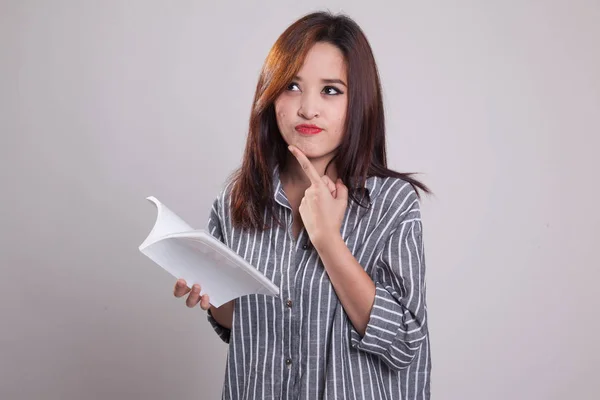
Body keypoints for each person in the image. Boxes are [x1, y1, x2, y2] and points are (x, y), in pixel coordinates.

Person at [173, 10, 431, 400]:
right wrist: (213, 297)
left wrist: (328, 240)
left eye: (331, 90)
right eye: (292, 86)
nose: (308, 108)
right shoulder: (237, 200)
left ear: (358, 101)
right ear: (270, 93)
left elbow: (405, 344)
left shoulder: (391, 204)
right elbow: (240, 328)